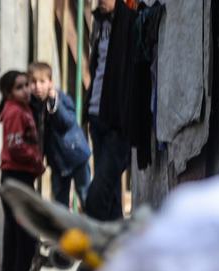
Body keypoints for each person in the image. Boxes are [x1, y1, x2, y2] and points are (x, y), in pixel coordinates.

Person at [0, 70, 46, 271]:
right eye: (20, 87)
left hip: (17, 177)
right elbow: (15, 146)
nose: (27, 90)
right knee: (26, 230)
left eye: (27, 85)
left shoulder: (21, 109)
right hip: (17, 177)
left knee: (15, 231)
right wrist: (36, 161)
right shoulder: (14, 112)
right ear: (9, 93)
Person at [86, 0, 133, 221]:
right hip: (97, 117)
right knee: (112, 195)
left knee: (96, 195)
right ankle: (115, 253)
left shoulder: (130, 22)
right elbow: (95, 68)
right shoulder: (99, 23)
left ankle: (92, 250)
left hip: (118, 123)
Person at [28, 62, 90, 210]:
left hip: (76, 155)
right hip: (57, 162)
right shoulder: (32, 105)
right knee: (60, 205)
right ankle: (64, 233)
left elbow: (67, 122)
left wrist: (54, 104)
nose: (37, 86)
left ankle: (93, 231)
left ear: (51, 83)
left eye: (42, 82)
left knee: (85, 196)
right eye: (33, 82)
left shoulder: (61, 98)